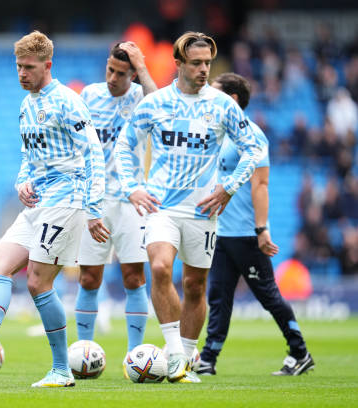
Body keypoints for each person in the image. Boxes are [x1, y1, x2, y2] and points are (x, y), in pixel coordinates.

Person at [0, 31, 107, 388]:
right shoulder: (26, 104)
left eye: (29, 67)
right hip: (39, 201)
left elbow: (93, 153)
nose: (22, 73)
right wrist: (22, 180)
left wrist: (94, 207)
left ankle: (62, 370)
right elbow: (28, 156)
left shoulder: (68, 101)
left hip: (67, 199)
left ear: (47, 65)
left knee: (37, 281)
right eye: (18, 66)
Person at [114, 31, 265, 383]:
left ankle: (182, 354)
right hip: (160, 205)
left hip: (202, 210)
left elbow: (253, 149)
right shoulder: (154, 103)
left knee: (196, 285)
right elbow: (124, 145)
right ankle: (176, 356)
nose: (204, 70)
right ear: (178, 63)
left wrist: (228, 188)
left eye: (208, 63)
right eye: (196, 63)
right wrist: (133, 187)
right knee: (161, 267)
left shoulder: (222, 105)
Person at [195, 72, 315, 377]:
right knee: (218, 296)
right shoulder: (219, 134)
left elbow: (261, 184)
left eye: (217, 92)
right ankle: (208, 359)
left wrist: (262, 230)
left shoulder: (252, 135)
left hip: (248, 234)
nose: (209, 96)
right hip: (221, 232)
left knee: (268, 296)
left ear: (232, 100)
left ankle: (300, 352)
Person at [74, 42, 157, 367]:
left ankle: (135, 355)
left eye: (121, 73)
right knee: (88, 278)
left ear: (133, 74)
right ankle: (83, 351)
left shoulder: (141, 97)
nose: (112, 77)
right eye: (110, 69)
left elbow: (163, 107)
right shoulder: (89, 96)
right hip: (94, 199)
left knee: (134, 277)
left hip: (130, 201)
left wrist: (144, 68)